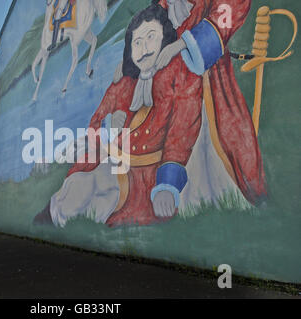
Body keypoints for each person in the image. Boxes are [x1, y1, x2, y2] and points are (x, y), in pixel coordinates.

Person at [34, 0, 267, 228]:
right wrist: (128, 66)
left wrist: (183, 45)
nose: (143, 47)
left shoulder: (178, 70)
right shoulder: (157, 21)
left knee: (207, 165)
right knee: (87, 186)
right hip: (139, 142)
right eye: (137, 42)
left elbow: (231, 9)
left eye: (147, 40)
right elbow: (113, 103)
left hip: (200, 82)